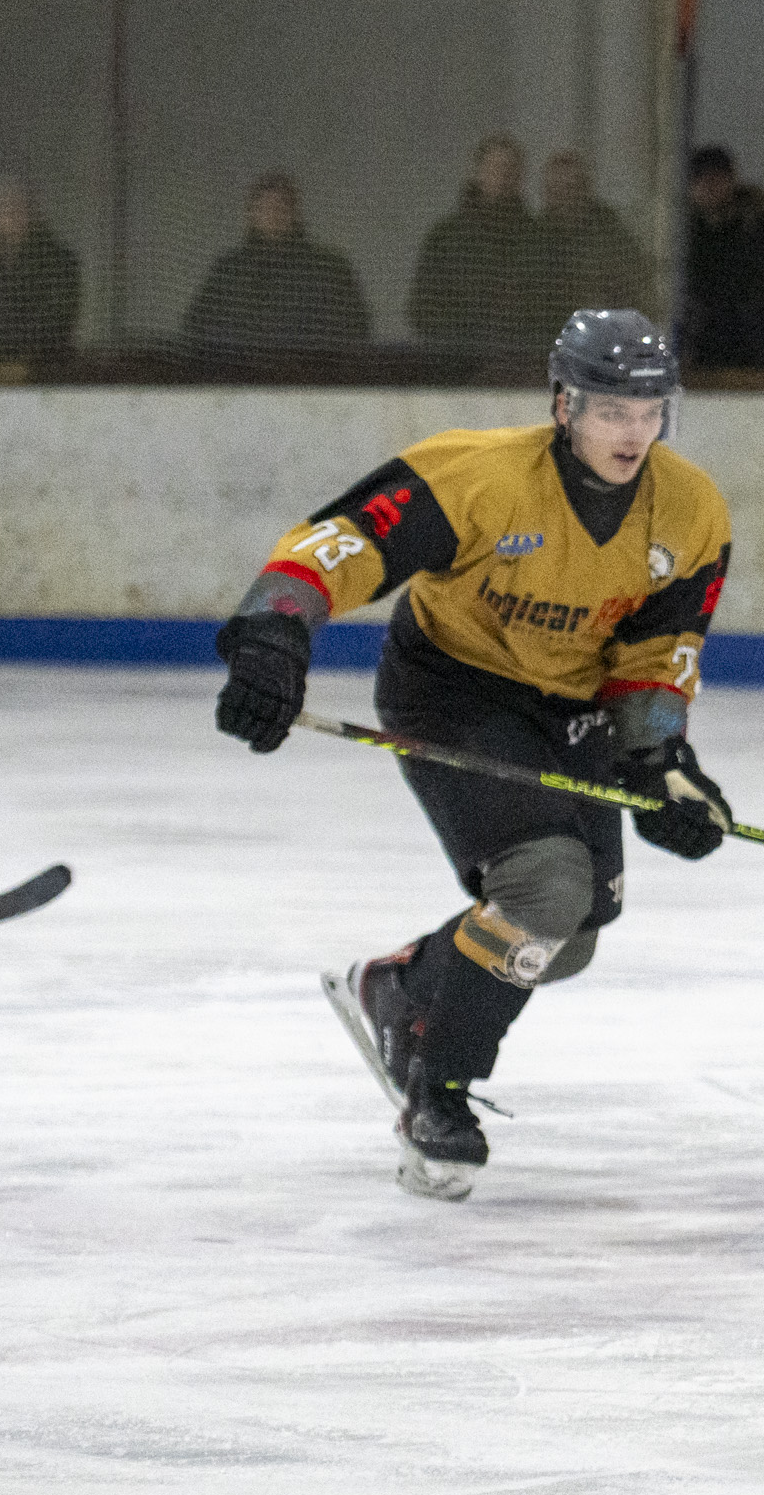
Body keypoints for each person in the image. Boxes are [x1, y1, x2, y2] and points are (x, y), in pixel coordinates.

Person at [208, 310, 734, 1201]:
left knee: (565, 941)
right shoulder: (479, 476)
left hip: (572, 712)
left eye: (650, 411)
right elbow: (339, 543)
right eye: (612, 411)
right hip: (453, 689)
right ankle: (438, 1089)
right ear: (564, 404)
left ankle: (404, 986)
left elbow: (656, 657)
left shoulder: (690, 511)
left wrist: (666, 770)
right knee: (547, 888)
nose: (633, 433)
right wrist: (273, 639)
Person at [183, 173, 370, 362]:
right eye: (265, 207)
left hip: (311, 380)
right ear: (251, 213)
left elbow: (354, 330)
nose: (273, 214)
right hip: (239, 380)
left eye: (281, 206)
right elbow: (197, 329)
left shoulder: (329, 267)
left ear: (295, 212)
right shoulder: (228, 270)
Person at [410, 135, 551, 358]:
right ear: (478, 173)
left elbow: (551, 307)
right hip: (457, 367)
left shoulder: (540, 240)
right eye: (496, 168)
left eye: (511, 169)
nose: (504, 177)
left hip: (521, 367)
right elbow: (424, 308)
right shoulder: (446, 239)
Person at [678, 145, 764, 369]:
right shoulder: (680, 235)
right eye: (701, 179)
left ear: (731, 181)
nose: (709, 186)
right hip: (695, 354)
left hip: (747, 353)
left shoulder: (756, 230)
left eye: (716, 178)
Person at [0, 177, 79, 362]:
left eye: (17, 206)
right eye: (3, 208)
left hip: (44, 365)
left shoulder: (56, 260)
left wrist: (25, 349)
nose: (11, 215)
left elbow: (59, 316)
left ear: (31, 211)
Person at [538, 150, 653, 316]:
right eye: (554, 190)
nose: (563, 197)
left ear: (585, 189)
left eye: (570, 188)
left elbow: (636, 289)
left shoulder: (609, 233)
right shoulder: (536, 234)